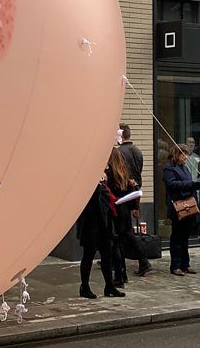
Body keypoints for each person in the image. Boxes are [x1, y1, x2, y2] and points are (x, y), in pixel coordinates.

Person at [105, 147, 152, 285]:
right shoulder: (124, 173)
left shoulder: (109, 174)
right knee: (125, 238)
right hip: (124, 210)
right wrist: (134, 207)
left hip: (115, 211)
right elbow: (131, 191)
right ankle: (127, 271)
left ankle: (120, 275)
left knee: (116, 243)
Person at [76, 177, 125, 299]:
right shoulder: (87, 181)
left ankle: (109, 286)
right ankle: (84, 287)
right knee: (88, 255)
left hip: (104, 224)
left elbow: (108, 199)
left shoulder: (103, 181)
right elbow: (91, 200)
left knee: (107, 256)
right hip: (90, 224)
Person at [117, 125, 152, 276]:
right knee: (125, 230)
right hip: (134, 192)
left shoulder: (119, 153)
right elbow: (138, 174)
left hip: (122, 194)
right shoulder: (137, 151)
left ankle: (143, 261)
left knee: (125, 231)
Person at [163, 143, 200, 276]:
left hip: (188, 205)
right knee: (177, 237)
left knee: (185, 237)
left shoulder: (184, 167)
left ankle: (185, 264)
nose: (185, 157)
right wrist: (192, 184)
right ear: (177, 154)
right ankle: (175, 265)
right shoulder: (169, 168)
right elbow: (172, 184)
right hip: (178, 206)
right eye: (183, 154)